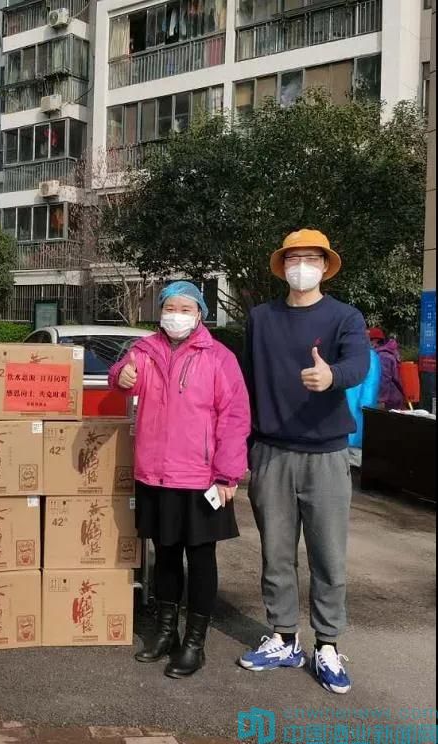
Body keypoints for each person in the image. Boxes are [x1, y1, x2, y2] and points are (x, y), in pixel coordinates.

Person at [239, 229, 369, 695]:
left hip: (326, 455)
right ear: (282, 266)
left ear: (325, 266)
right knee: (275, 554)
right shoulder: (261, 318)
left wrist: (332, 375)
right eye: (294, 258)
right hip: (271, 451)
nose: (302, 266)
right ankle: (284, 637)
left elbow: (359, 364)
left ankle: (327, 644)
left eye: (311, 258)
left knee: (328, 556)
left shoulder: (344, 317)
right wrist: (243, 444)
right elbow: (246, 382)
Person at [110, 281, 250, 679]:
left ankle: (194, 643)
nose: (177, 315)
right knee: (165, 555)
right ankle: (166, 632)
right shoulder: (145, 350)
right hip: (155, 473)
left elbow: (235, 417)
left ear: (200, 314)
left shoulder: (218, 357)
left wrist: (227, 474)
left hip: (201, 477)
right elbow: (123, 377)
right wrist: (120, 375)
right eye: (170, 307)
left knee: (201, 559)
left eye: (186, 308)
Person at [368, 327, 406, 410]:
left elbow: (383, 380)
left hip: (388, 402)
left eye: (368, 340)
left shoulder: (383, 356)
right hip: (391, 399)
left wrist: (380, 400)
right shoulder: (383, 354)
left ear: (376, 341)